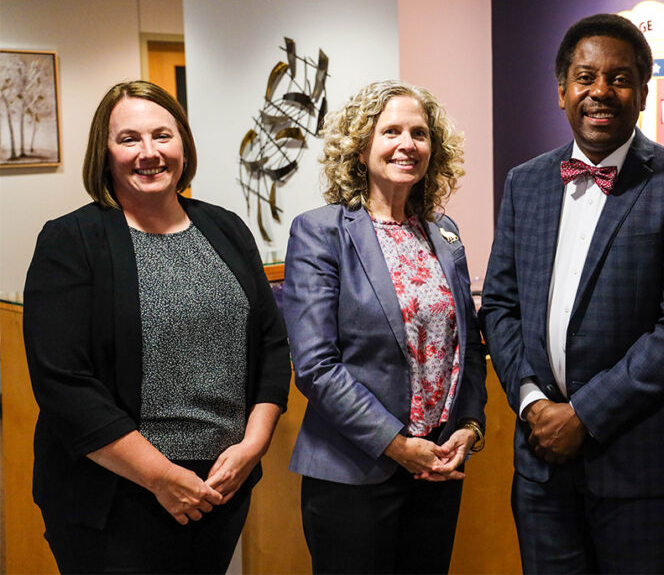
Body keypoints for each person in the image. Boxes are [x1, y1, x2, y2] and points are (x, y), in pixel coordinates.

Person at [480, 13, 664, 574]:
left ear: (643, 93)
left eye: (619, 79)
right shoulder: (526, 182)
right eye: (585, 77)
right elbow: (500, 303)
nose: (600, 92)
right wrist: (532, 402)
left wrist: (584, 415)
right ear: (562, 90)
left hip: (638, 460)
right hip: (540, 459)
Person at [22, 80, 291, 573]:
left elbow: (271, 345)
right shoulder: (70, 241)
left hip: (218, 491)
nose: (149, 153)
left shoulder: (226, 228)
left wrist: (253, 445)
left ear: (183, 144)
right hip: (116, 500)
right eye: (129, 139)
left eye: (162, 136)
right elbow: (63, 383)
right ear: (103, 154)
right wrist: (161, 476)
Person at [283, 80, 487, 574]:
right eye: (390, 131)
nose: (407, 145)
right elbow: (315, 366)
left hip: (435, 466)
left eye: (419, 133)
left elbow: (466, 345)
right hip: (355, 473)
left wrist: (469, 425)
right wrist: (397, 445)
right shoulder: (321, 231)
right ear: (360, 145)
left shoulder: (444, 231)